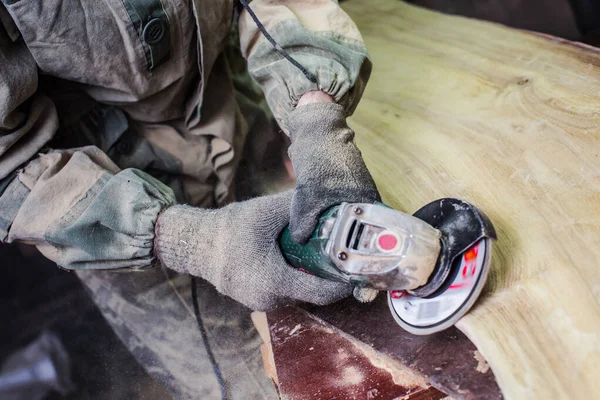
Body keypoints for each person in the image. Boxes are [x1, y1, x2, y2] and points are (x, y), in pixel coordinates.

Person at [0, 0, 379, 398]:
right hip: (107, 202)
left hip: (234, 102)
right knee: (260, 384)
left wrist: (315, 115)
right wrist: (192, 242)